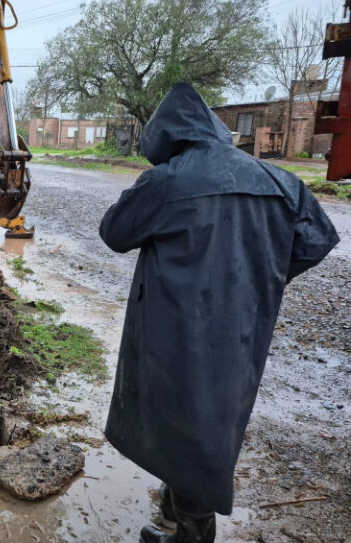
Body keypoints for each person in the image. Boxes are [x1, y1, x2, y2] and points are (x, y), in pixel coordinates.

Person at [99, 83, 339, 543]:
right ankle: (177, 504)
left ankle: (193, 533)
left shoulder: (167, 181)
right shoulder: (280, 181)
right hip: (244, 328)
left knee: (184, 417)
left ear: (166, 136)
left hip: (176, 327)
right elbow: (316, 242)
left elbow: (115, 232)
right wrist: (258, 281)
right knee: (212, 418)